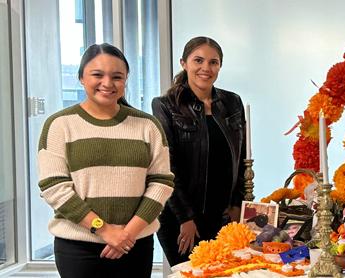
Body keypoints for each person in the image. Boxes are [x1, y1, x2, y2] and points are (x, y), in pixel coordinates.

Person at [38, 43, 174, 277]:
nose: (107, 83)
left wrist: (127, 233)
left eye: (117, 76)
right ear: (81, 77)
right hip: (78, 248)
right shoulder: (60, 125)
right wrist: (104, 230)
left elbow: (161, 182)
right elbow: (54, 187)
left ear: (126, 80)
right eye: (97, 74)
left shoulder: (147, 125)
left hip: (135, 244)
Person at [152, 36, 248, 266]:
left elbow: (242, 157)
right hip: (181, 218)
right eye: (198, 60)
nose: (206, 68)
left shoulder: (233, 102)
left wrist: (237, 205)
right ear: (184, 63)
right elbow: (167, 166)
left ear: (220, 66)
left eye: (213, 62)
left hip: (224, 215)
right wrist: (186, 218)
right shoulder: (165, 105)